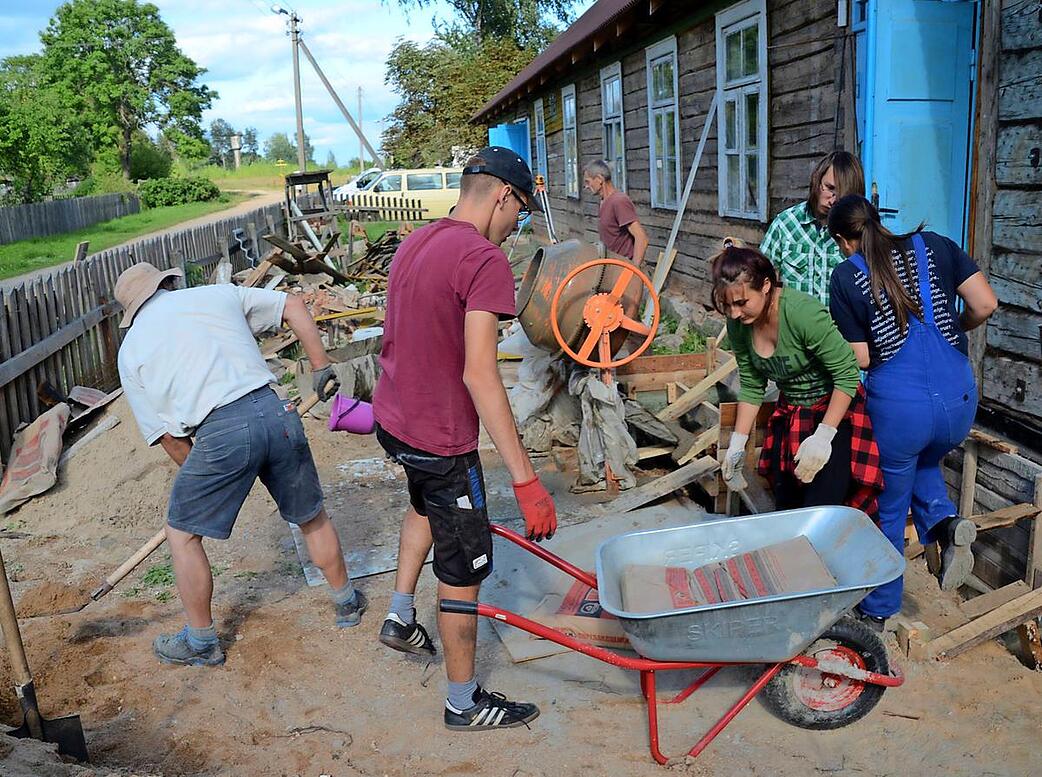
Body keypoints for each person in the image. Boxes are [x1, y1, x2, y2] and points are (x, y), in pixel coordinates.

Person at [373, 147, 558, 731]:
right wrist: (526, 481)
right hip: (440, 437)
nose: (513, 228)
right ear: (503, 195)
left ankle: (400, 617)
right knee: (465, 567)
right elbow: (481, 373)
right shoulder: (482, 259)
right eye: (519, 213)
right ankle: (463, 702)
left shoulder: (417, 241)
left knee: (422, 504)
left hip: (394, 422)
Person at [115, 262, 364, 667]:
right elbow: (294, 305)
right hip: (276, 409)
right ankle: (347, 604)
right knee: (311, 516)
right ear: (170, 283)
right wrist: (321, 367)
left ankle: (201, 643)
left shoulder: (131, 352)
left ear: (130, 313)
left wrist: (213, 475)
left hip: (220, 430)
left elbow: (167, 436)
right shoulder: (217, 294)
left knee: (181, 534)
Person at [828, 195, 998, 628]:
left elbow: (862, 358)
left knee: (890, 507)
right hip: (959, 402)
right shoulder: (937, 245)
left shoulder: (846, 276)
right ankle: (943, 521)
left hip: (901, 411)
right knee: (925, 457)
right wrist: (955, 329)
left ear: (844, 241)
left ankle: (880, 610)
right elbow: (984, 305)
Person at [713, 245, 882, 516]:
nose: (734, 314)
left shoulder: (802, 314)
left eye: (742, 303)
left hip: (835, 412)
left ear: (766, 285)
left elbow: (847, 373)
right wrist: (737, 444)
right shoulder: (739, 325)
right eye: (728, 305)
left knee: (821, 509)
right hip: (793, 412)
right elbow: (753, 384)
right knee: (787, 507)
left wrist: (824, 437)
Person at [760, 150, 864, 306]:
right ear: (817, 179)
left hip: (837, 328)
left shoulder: (857, 231)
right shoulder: (785, 224)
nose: (833, 201)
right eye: (829, 188)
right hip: (793, 326)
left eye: (841, 197)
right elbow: (759, 276)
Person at [582, 160, 649, 266]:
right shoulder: (604, 201)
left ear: (599, 179)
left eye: (588, 181)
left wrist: (633, 271)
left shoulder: (619, 201)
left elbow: (641, 238)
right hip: (611, 268)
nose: (586, 186)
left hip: (623, 269)